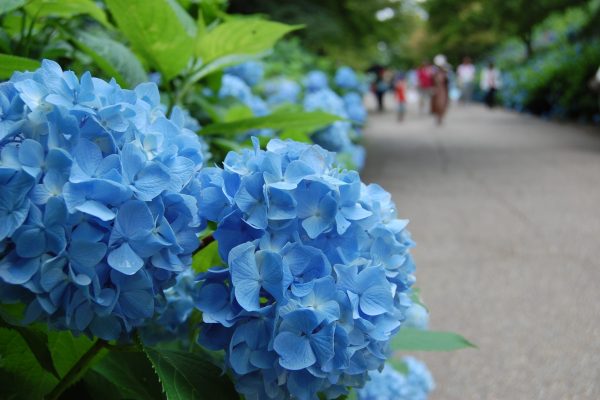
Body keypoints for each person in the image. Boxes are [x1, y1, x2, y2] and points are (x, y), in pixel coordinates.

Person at [431, 54, 450, 125]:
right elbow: (433, 81)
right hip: (437, 90)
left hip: (443, 90)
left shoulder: (446, 72)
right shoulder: (435, 71)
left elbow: (447, 82)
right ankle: (438, 117)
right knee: (436, 104)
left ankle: (440, 117)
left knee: (442, 104)